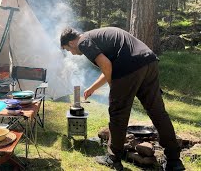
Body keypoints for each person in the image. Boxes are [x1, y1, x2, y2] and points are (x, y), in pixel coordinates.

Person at [60, 27, 185, 171]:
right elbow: (108, 66)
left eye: (68, 50)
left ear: (71, 43)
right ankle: (174, 161)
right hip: (148, 61)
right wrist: (93, 88)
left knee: (118, 114)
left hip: (129, 67)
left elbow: (106, 65)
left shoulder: (83, 42)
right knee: (158, 113)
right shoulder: (97, 35)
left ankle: (113, 158)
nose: (73, 54)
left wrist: (114, 87)